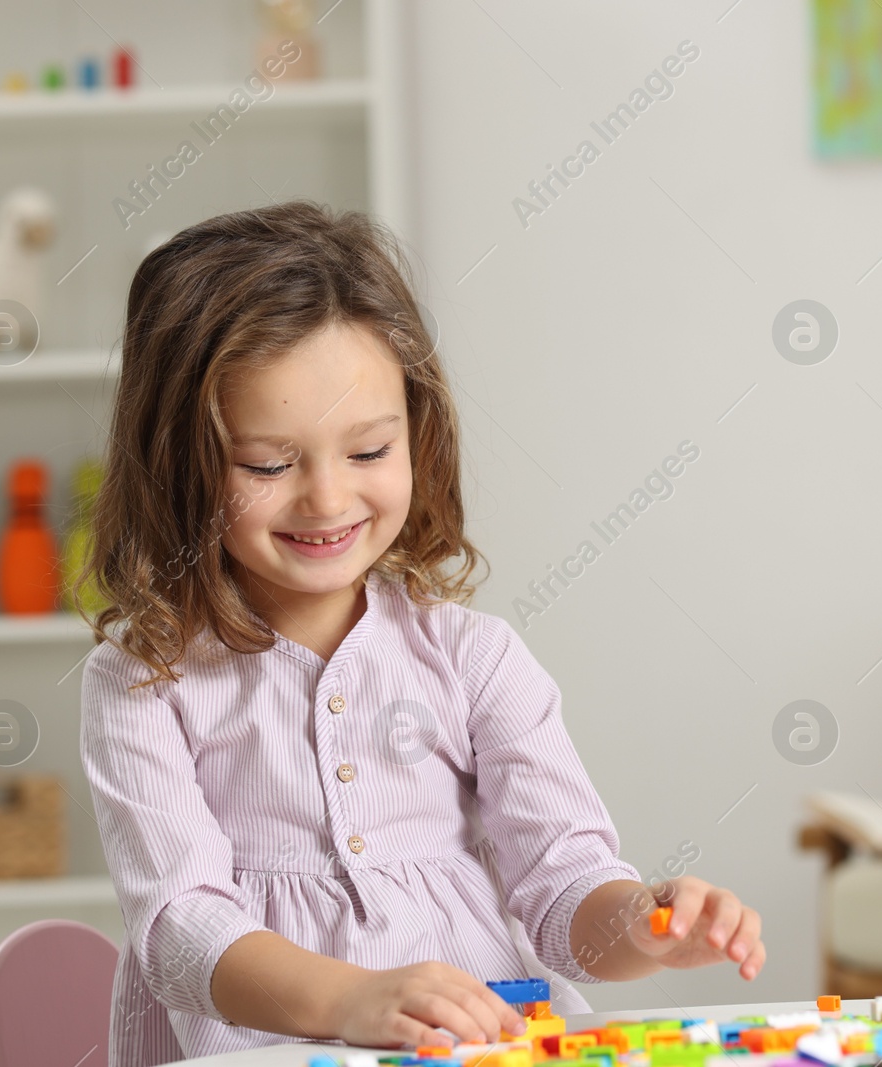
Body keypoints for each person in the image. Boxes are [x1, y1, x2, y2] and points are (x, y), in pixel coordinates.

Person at [77, 201, 766, 1066]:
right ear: (178, 461)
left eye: (368, 451)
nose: (327, 499)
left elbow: (566, 893)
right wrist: (351, 998)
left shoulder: (475, 658)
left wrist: (647, 927)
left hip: (481, 1044)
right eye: (267, 463)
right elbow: (182, 929)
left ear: (419, 435)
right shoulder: (143, 681)